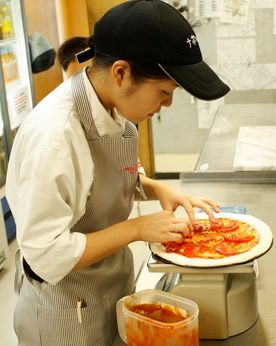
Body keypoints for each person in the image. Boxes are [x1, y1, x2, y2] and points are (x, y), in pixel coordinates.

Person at [6, 0, 230, 345]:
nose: (166, 104)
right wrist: (138, 228)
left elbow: (105, 176)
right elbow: (48, 255)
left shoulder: (115, 109)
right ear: (121, 73)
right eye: (165, 93)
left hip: (110, 289)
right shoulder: (54, 139)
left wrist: (156, 188)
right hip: (66, 312)